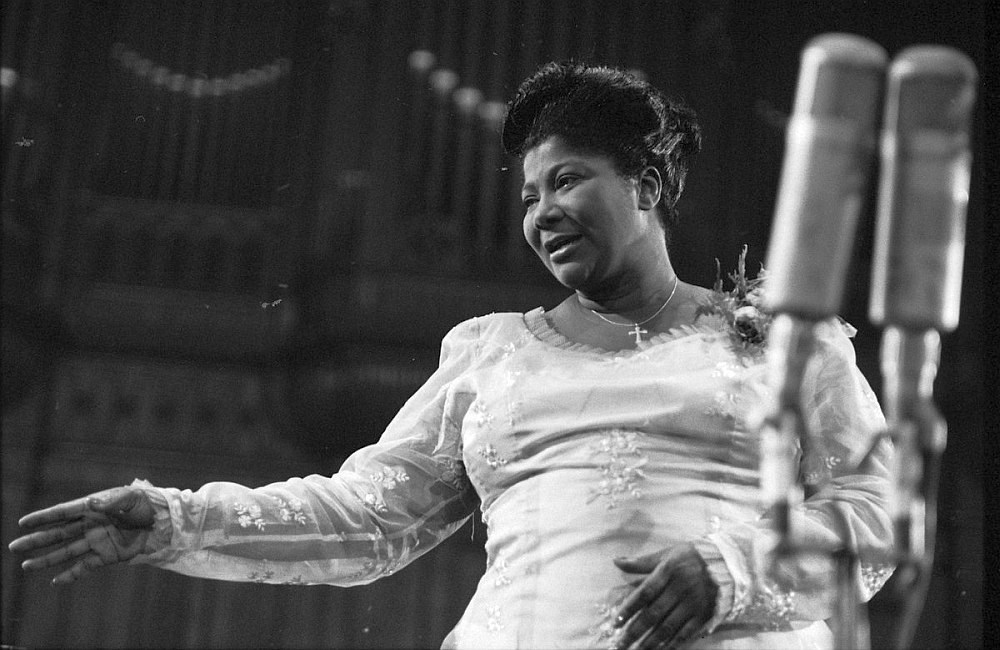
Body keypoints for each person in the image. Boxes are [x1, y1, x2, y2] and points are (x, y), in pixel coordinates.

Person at [9, 61, 893, 650]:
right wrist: (173, 518)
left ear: (649, 185)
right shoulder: (493, 356)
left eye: (569, 179)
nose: (542, 211)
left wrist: (732, 571)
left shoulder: (784, 343)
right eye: (528, 194)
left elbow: (882, 514)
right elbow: (362, 517)